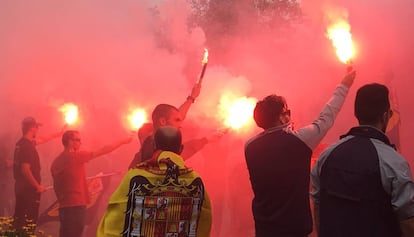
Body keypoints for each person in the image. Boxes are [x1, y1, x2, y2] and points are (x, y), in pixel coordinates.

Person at [244, 71, 356, 237]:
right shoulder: (298, 141)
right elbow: (326, 118)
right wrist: (344, 85)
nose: (290, 115)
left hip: (264, 229)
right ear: (282, 118)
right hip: (294, 229)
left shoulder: (250, 146)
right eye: (287, 112)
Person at [310, 83, 414, 237]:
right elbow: (407, 221)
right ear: (386, 115)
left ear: (356, 114)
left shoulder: (327, 155)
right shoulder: (394, 162)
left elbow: (318, 205)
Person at [97, 126, 212, 237]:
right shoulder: (195, 181)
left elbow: (115, 219)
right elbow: (203, 222)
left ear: (153, 146)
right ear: (181, 148)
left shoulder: (135, 177)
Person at [51, 130, 132, 237]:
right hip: (76, 205)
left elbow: (56, 186)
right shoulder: (75, 156)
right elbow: (103, 150)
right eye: (78, 140)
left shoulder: (56, 162)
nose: (81, 143)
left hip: (64, 206)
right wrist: (123, 141)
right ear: (70, 141)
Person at [128, 83, 225, 168]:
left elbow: (179, 116)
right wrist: (206, 140)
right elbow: (188, 149)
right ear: (163, 121)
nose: (180, 124)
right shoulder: (159, 150)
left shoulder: (149, 139)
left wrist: (191, 98)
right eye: (176, 120)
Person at [13, 116, 64, 232]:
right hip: (29, 192)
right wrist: (37, 186)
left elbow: (42, 139)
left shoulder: (22, 143)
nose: (38, 130)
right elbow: (25, 170)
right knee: (27, 222)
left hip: (21, 189)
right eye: (37, 127)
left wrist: (58, 134)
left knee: (19, 219)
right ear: (32, 128)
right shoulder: (27, 147)